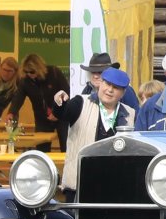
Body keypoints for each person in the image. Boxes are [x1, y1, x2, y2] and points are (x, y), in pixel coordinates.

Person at [54, 66, 135, 195]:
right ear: (100, 83)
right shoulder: (80, 102)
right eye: (107, 84)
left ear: (123, 93)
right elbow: (63, 113)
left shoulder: (130, 114)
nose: (110, 90)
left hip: (114, 188)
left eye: (116, 87)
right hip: (79, 186)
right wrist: (60, 102)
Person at [11, 53, 69, 142]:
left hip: (61, 116)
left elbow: (66, 93)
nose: (29, 74)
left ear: (39, 68)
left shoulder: (54, 73)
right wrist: (11, 112)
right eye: (26, 72)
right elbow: (18, 98)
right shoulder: (25, 81)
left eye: (32, 72)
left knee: (66, 145)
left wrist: (58, 112)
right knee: (41, 146)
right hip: (42, 119)